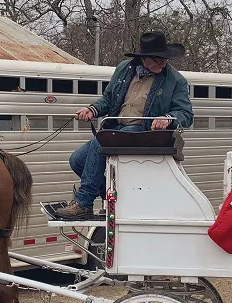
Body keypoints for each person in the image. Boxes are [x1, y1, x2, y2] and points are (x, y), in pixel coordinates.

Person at [53, 31, 194, 219]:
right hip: (116, 128)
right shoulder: (124, 69)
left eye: (165, 59)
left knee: (102, 141)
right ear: (144, 59)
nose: (163, 63)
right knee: (77, 160)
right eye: (158, 59)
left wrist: (168, 118)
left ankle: (83, 203)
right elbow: (109, 99)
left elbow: (186, 114)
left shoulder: (176, 81)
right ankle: (114, 198)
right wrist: (92, 110)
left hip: (142, 132)